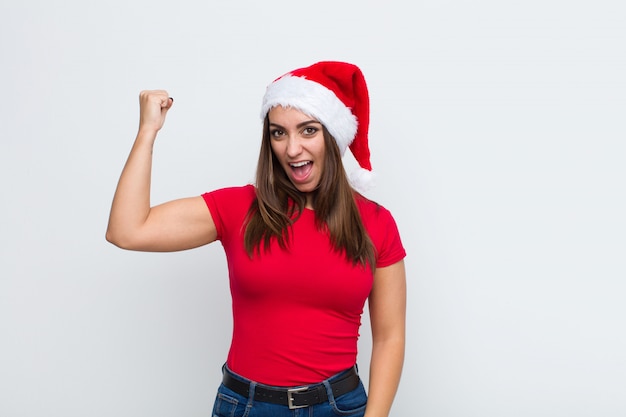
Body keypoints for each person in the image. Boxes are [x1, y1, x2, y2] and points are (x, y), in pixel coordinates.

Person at [106, 61, 406, 417]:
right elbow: (127, 231)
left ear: (334, 135)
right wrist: (147, 132)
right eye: (279, 133)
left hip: (339, 407)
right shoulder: (239, 208)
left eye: (308, 131)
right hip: (248, 407)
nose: (292, 148)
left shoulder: (376, 223)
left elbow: (390, 337)